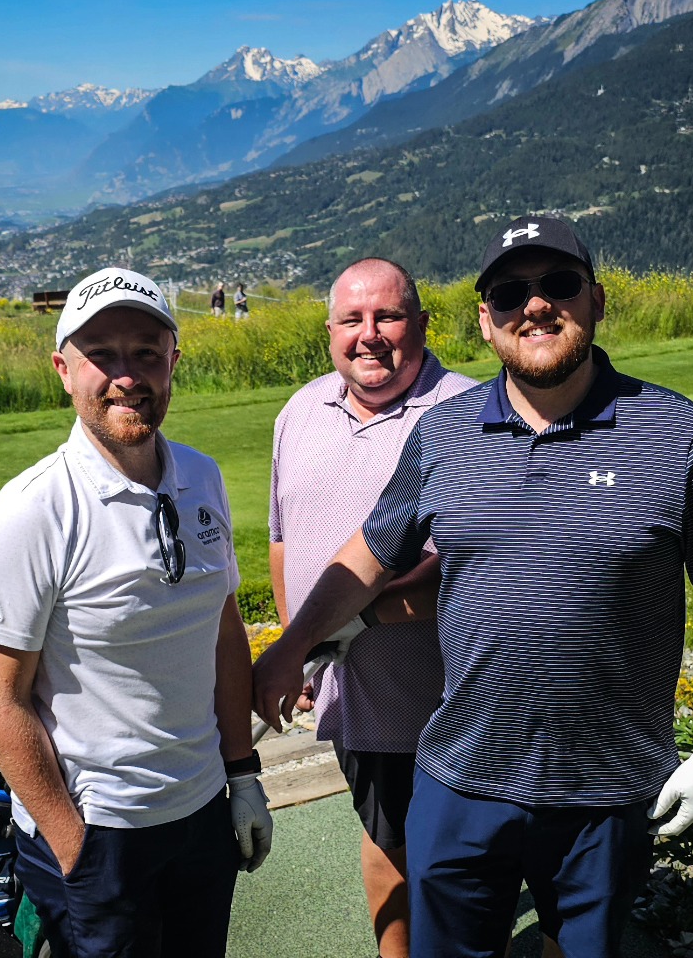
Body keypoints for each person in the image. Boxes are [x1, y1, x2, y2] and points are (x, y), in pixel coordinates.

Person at [254, 216, 693, 957]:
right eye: (508, 293)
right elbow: (370, 555)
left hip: (609, 787)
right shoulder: (444, 435)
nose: (534, 306)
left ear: (594, 300)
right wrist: (292, 644)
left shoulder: (681, 434)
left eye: (557, 285)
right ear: (485, 321)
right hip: (459, 782)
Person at [0, 266, 272, 958]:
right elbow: (0, 702)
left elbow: (223, 634)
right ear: (63, 370)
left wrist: (243, 775)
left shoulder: (203, 475)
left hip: (200, 814)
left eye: (147, 353)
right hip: (98, 833)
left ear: (174, 364)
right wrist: (75, 849)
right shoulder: (27, 514)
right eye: (102, 355)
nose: (127, 375)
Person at [269, 257, 475, 957]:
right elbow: (282, 539)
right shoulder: (299, 410)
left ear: (420, 323)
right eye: (352, 320)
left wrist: (343, 624)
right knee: (382, 830)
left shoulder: (470, 409)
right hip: (348, 689)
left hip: (446, 689)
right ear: (329, 331)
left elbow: (471, 566)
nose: (370, 335)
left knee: (461, 862)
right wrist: (298, 643)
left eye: (387, 316)